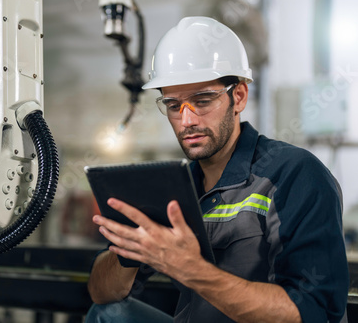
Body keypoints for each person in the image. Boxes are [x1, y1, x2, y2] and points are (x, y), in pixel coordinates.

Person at [85, 16, 349, 323]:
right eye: (173, 105)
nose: (187, 121)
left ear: (238, 96)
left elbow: (314, 313)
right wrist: (128, 251)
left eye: (202, 100)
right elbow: (102, 293)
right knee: (107, 314)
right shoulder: (174, 188)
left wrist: (192, 270)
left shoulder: (295, 174)